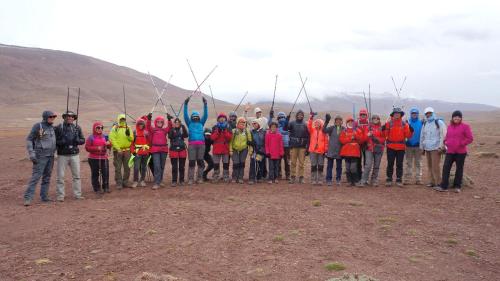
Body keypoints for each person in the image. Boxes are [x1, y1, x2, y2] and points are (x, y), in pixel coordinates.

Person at [24, 111, 58, 206]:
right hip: (40, 156)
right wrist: (31, 153)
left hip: (50, 156)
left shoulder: (52, 127)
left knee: (47, 177)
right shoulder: (38, 126)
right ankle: (27, 198)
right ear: (45, 117)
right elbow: (29, 139)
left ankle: (44, 197)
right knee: (36, 177)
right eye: (50, 117)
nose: (52, 118)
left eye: (54, 117)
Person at [435, 110, 473, 193]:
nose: (457, 118)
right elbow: (447, 137)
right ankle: (444, 186)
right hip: (450, 151)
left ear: (461, 118)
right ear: (452, 118)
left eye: (458, 117)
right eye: (455, 116)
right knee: (446, 168)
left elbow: (470, 138)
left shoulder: (465, 126)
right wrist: (445, 142)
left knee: (459, 169)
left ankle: (457, 186)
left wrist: (461, 143)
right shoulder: (449, 127)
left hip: (461, 152)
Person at [54, 111, 85, 202]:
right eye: (68, 116)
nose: (70, 118)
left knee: (77, 176)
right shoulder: (59, 127)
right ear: (64, 117)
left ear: (74, 118)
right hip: (62, 155)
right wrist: (61, 142)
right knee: (60, 176)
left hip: (74, 155)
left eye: (72, 117)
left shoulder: (77, 127)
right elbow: (53, 141)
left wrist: (77, 140)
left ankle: (78, 195)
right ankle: (60, 196)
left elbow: (83, 140)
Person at [383, 107, 413, 187]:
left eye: (398, 113)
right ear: (393, 114)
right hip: (390, 147)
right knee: (390, 163)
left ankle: (399, 179)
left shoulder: (404, 124)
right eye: (395, 113)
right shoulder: (388, 123)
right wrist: (383, 129)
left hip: (401, 147)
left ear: (400, 115)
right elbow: (385, 135)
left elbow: (408, 136)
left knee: (399, 164)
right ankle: (389, 179)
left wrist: (411, 131)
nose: (397, 114)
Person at [184, 97, 209, 184]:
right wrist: (186, 104)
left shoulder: (201, 123)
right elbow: (185, 115)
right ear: (192, 117)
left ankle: (199, 178)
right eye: (194, 116)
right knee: (191, 162)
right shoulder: (189, 123)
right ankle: (190, 179)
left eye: (196, 116)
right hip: (192, 145)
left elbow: (205, 115)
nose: (195, 117)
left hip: (201, 145)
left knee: (200, 162)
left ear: (198, 117)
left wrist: (205, 104)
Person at [420, 107, 446, 188]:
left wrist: (441, 146)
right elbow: (422, 136)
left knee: (435, 166)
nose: (428, 114)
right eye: (427, 113)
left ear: (433, 113)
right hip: (427, 148)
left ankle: (439, 182)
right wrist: (422, 147)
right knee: (429, 165)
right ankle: (431, 181)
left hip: (436, 148)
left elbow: (443, 135)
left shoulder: (439, 122)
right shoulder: (425, 123)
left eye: (430, 113)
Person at [147, 113, 173, 189]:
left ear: (163, 123)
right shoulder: (153, 130)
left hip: (163, 150)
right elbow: (148, 126)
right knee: (157, 166)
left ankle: (160, 181)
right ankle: (156, 183)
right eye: (158, 122)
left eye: (161, 122)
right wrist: (148, 119)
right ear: (155, 122)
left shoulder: (164, 130)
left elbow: (170, 127)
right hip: (155, 150)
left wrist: (169, 120)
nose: (159, 123)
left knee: (162, 166)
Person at [109, 114, 134, 189]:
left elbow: (132, 139)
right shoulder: (115, 128)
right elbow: (112, 139)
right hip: (118, 151)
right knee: (118, 167)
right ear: (119, 119)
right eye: (121, 119)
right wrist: (118, 149)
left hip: (127, 150)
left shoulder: (128, 128)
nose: (122, 120)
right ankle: (119, 183)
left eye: (124, 119)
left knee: (127, 167)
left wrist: (128, 135)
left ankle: (125, 182)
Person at [85, 122, 111, 195]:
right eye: (98, 128)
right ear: (94, 128)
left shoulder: (105, 136)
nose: (100, 129)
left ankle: (106, 187)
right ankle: (97, 188)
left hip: (104, 157)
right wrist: (97, 148)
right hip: (93, 158)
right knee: (95, 173)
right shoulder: (91, 137)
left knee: (105, 173)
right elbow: (87, 148)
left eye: (101, 128)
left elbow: (109, 146)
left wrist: (109, 144)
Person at [360, 115, 385, 187]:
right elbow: (363, 139)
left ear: (379, 120)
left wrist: (377, 139)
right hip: (369, 149)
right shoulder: (368, 128)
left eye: (377, 118)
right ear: (372, 119)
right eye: (374, 118)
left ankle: (374, 180)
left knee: (376, 165)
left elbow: (384, 139)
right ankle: (364, 180)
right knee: (368, 165)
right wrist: (368, 135)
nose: (375, 119)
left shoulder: (381, 128)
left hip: (379, 149)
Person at [286, 109, 309, 184]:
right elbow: (285, 128)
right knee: (293, 162)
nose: (300, 116)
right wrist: (287, 119)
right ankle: (292, 177)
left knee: (301, 163)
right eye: (299, 115)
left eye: (301, 115)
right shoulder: (292, 123)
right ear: (296, 115)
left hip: (302, 146)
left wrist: (307, 147)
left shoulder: (306, 124)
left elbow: (308, 136)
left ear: (303, 116)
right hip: (293, 146)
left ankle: (301, 177)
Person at [339, 117, 364, 186]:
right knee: (347, 168)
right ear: (347, 123)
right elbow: (342, 140)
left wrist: (356, 136)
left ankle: (355, 181)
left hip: (355, 152)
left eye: (351, 121)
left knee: (353, 168)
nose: (350, 122)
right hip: (346, 152)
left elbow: (361, 140)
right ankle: (349, 181)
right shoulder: (344, 131)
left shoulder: (357, 130)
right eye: (349, 121)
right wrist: (351, 138)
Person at [307, 113, 329, 185]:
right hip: (313, 151)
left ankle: (320, 180)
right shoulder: (312, 130)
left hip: (321, 151)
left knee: (320, 165)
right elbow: (309, 125)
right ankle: (313, 179)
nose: (317, 124)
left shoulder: (324, 132)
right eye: (316, 123)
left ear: (321, 124)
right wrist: (311, 118)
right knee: (313, 165)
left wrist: (325, 150)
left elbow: (326, 142)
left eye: (318, 123)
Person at [210, 113, 232, 183]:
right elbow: (212, 138)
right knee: (216, 164)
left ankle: (226, 177)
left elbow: (230, 138)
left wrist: (225, 131)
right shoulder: (214, 127)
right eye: (220, 117)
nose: (222, 119)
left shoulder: (228, 127)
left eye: (223, 117)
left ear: (225, 119)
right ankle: (216, 177)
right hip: (216, 149)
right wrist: (218, 131)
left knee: (225, 163)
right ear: (218, 119)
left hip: (225, 149)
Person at [404, 107, 423, 185]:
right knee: (409, 163)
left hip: (418, 145)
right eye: (413, 113)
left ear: (417, 114)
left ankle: (418, 179)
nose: (414, 115)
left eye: (415, 113)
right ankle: (407, 179)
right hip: (408, 145)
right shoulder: (407, 122)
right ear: (410, 114)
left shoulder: (421, 122)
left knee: (418, 163)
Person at [269, 111, 290, 180]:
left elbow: (287, 127)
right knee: (278, 161)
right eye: (280, 117)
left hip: (286, 146)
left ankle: (288, 175)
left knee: (286, 161)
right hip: (278, 146)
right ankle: (278, 174)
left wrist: (287, 120)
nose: (282, 118)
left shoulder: (287, 125)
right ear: (278, 118)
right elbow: (269, 124)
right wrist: (270, 116)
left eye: (283, 117)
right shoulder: (276, 126)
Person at [230, 117, 252, 184]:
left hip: (244, 149)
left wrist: (250, 150)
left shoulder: (247, 131)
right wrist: (230, 150)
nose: (242, 124)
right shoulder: (234, 131)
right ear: (238, 123)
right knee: (236, 163)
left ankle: (240, 177)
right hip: (235, 149)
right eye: (241, 122)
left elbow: (249, 141)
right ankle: (234, 177)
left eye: (243, 122)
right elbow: (230, 142)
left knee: (242, 163)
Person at [323, 114, 344, 186]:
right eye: (337, 120)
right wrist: (326, 121)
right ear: (335, 122)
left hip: (340, 151)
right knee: (329, 166)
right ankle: (328, 179)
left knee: (339, 167)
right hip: (331, 150)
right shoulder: (331, 128)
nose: (338, 121)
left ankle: (338, 179)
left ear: (342, 122)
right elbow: (324, 130)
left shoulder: (344, 129)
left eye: (340, 120)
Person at [130, 117, 150, 188]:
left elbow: (148, 142)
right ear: (137, 124)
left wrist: (147, 151)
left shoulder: (146, 133)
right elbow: (132, 143)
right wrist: (133, 152)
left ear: (144, 125)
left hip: (145, 153)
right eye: (139, 124)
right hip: (137, 153)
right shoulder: (134, 132)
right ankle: (135, 181)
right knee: (136, 167)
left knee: (144, 167)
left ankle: (142, 180)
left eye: (142, 124)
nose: (141, 125)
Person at [168, 118, 188, 186]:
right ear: (174, 123)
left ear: (180, 123)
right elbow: (170, 136)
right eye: (175, 122)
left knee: (182, 166)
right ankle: (174, 181)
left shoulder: (182, 129)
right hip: (173, 149)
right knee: (174, 166)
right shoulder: (172, 129)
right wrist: (172, 128)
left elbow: (186, 135)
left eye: (178, 122)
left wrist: (183, 127)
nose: (177, 123)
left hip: (182, 149)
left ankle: (181, 180)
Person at [249, 118, 266, 184]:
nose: (254, 125)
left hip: (260, 151)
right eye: (253, 124)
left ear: (259, 124)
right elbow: (249, 139)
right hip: (254, 150)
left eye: (255, 123)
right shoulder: (251, 132)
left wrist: (262, 150)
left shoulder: (263, 132)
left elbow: (265, 142)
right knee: (253, 164)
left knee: (260, 164)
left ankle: (259, 177)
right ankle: (252, 178)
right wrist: (250, 143)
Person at [355, 108, 370, 181]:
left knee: (366, 161)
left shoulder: (369, 123)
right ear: (359, 115)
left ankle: (365, 177)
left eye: (364, 114)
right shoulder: (356, 123)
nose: (363, 116)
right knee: (358, 160)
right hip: (358, 144)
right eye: (361, 114)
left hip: (367, 144)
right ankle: (358, 176)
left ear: (366, 115)